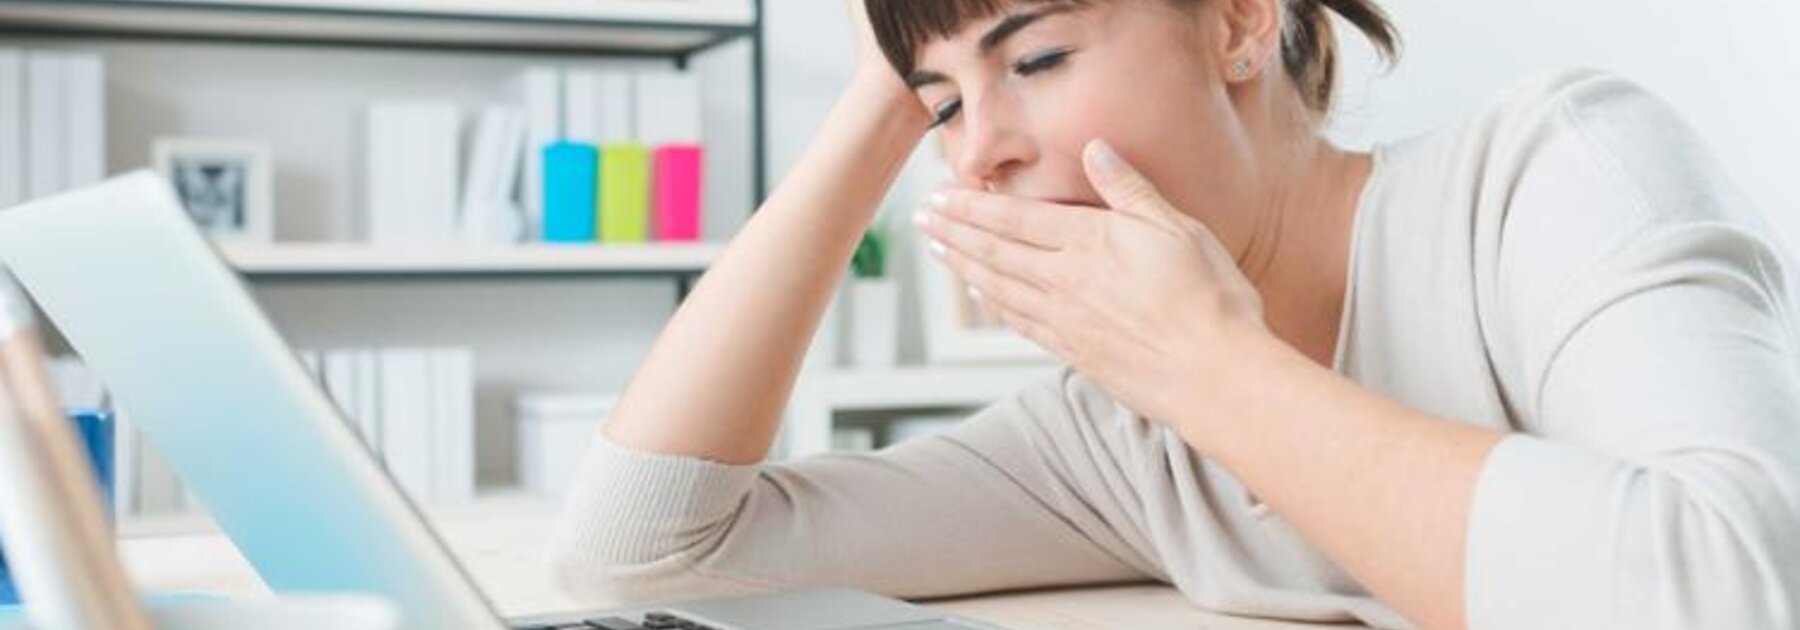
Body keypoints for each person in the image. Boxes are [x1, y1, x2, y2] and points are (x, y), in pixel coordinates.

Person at [550, 1, 1800, 628]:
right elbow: (646, 552)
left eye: (1035, 59)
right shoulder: (1120, 440)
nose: (976, 153)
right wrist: (872, 111)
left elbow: (1730, 586)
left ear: (1240, 22)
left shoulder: (1547, 173)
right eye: (939, 109)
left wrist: (1209, 367)